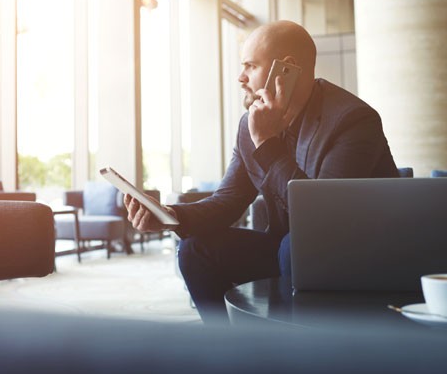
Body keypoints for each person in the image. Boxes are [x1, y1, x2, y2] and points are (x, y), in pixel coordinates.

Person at [123, 20, 399, 324]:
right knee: (195, 250)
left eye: (250, 66)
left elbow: (323, 220)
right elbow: (227, 202)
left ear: (286, 69)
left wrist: (267, 143)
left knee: (291, 247)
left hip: (354, 254)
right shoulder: (251, 124)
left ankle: (299, 354)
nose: (241, 78)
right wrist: (168, 216)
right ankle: (231, 351)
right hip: (290, 252)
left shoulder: (353, 120)